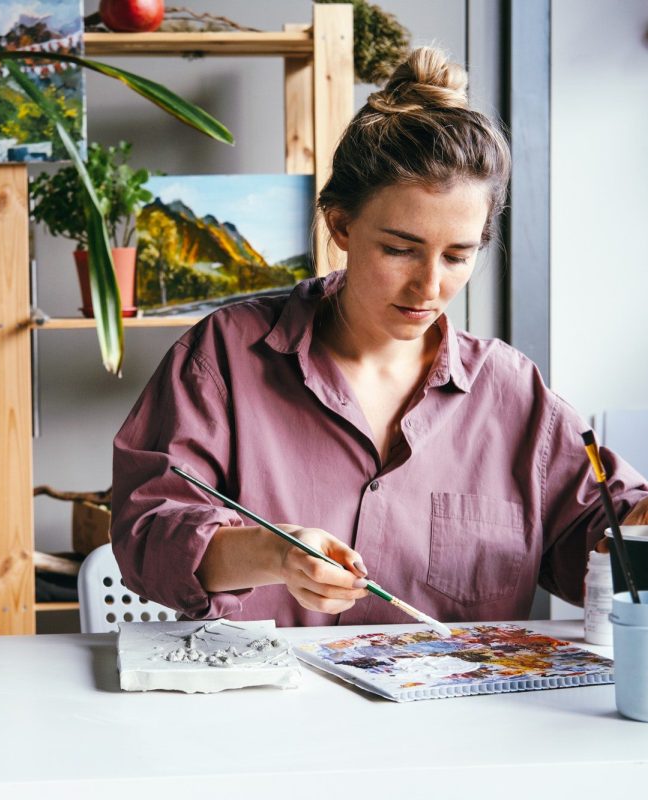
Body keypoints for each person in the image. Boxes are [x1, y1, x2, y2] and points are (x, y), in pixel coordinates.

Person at [110, 47, 648, 629]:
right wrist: (274, 553)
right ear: (341, 224)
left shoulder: (513, 393)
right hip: (267, 710)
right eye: (400, 249)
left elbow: (604, 540)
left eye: (458, 256)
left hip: (462, 713)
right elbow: (148, 532)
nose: (430, 285)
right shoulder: (224, 356)